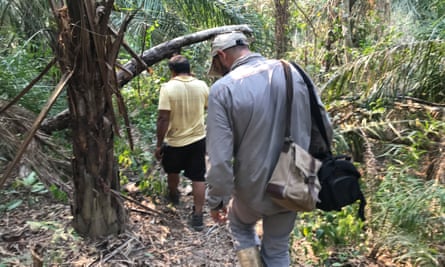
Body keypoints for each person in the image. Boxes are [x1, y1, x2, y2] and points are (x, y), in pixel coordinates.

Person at [205, 32, 333, 266]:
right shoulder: (293, 72)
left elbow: (220, 159)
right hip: (294, 178)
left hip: (251, 187)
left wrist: (217, 200)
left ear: (222, 55)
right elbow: (324, 125)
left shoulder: (223, 89)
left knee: (240, 227)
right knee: (277, 248)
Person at [154, 54, 209, 232]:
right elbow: (209, 107)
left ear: (172, 71)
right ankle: (198, 215)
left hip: (175, 141)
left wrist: (159, 144)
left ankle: (174, 195)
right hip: (198, 139)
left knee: (172, 170)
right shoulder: (201, 85)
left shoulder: (168, 88)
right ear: (189, 68)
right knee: (198, 177)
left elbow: (163, 118)